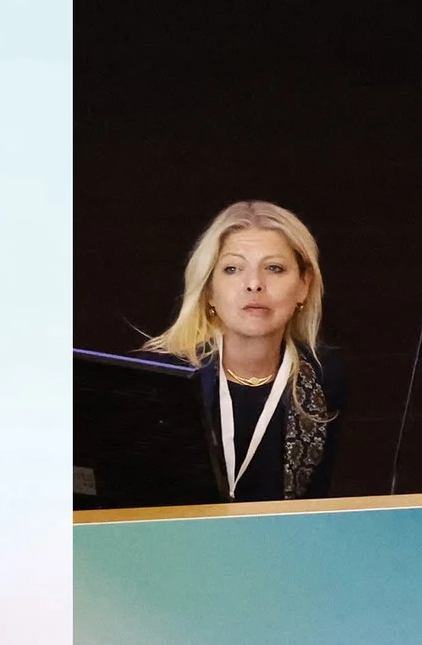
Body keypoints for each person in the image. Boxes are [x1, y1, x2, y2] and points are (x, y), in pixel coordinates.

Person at [143, 200, 345, 501]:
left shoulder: (323, 378)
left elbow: (313, 509)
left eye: (274, 268)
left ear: (304, 285)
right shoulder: (161, 378)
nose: (253, 284)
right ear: (209, 289)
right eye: (233, 269)